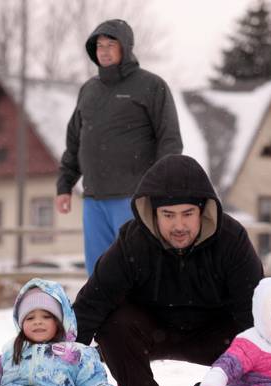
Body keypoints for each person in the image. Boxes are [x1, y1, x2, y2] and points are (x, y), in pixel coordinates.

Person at [72, 154, 264, 386]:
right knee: (111, 325)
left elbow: (255, 317)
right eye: (169, 215)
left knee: (255, 342)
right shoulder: (132, 241)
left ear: (203, 211)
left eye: (187, 214)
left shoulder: (231, 240)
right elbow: (91, 304)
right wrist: (61, 361)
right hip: (150, 330)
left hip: (217, 335)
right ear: (153, 213)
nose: (179, 225)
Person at [56, 19, 183, 276]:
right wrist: (65, 185)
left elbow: (169, 140)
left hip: (133, 199)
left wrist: (158, 188)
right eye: (99, 45)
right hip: (94, 200)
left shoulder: (151, 86)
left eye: (110, 44)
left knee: (138, 268)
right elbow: (75, 141)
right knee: (100, 272)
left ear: (125, 47)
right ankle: (103, 317)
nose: (103, 50)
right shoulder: (89, 90)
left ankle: (143, 317)